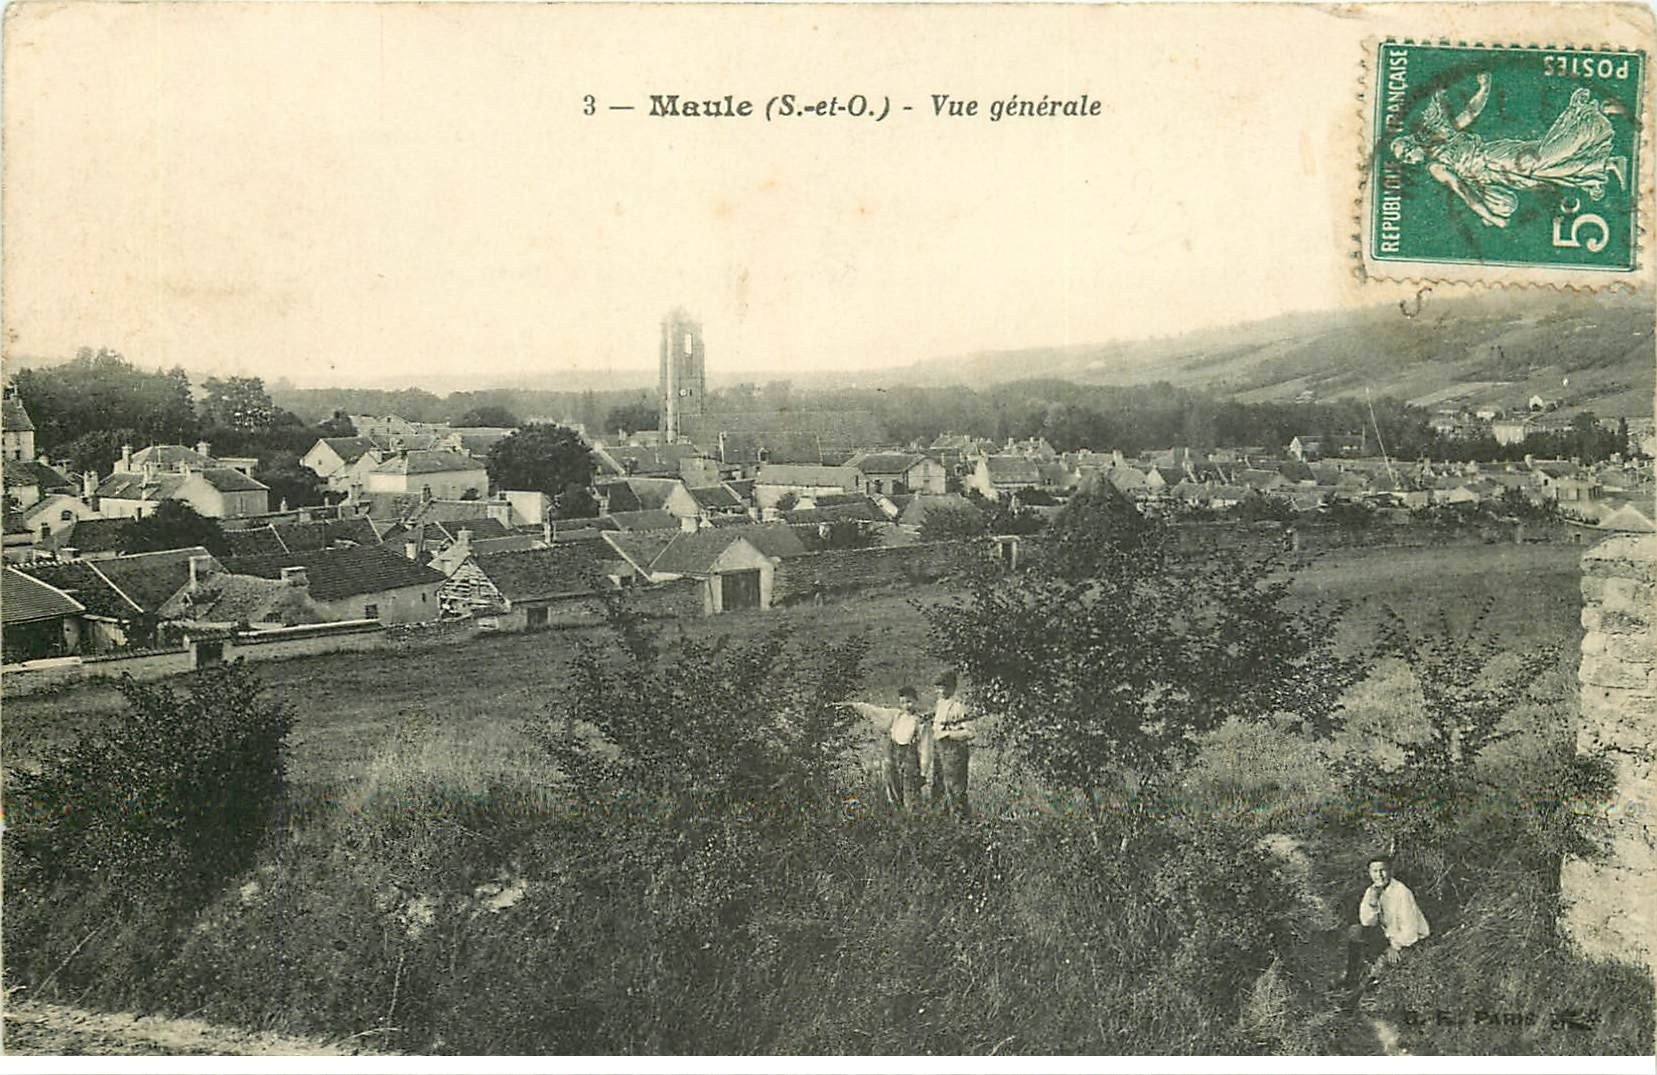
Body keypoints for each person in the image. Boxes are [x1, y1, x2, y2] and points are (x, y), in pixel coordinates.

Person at [1390, 74, 1627, 229]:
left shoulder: (1438, 160)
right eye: (1405, 159)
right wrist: (1491, 214)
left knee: (1544, 160)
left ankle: (1590, 117)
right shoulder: (1436, 160)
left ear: (1414, 143)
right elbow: (1467, 190)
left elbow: (1469, 114)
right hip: (1496, 171)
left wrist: (1485, 88)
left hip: (1493, 157)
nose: (1409, 160)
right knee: (1545, 172)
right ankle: (1606, 164)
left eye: (1406, 152)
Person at [1340, 854, 1431, 997]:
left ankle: (1360, 993)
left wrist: (1395, 946)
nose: (1379, 875)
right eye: (1374, 871)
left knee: (1380, 968)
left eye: (1383, 870)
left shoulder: (1402, 892)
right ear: (1369, 873)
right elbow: (1367, 922)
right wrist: (1373, 902)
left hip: (1410, 939)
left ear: (1390, 871)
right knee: (1355, 931)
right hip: (1387, 934)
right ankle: (1350, 978)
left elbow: (1410, 927)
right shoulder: (1372, 890)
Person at [841, 687, 925, 808]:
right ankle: (898, 813)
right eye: (903, 702)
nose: (906, 706)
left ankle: (914, 816)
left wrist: (924, 771)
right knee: (893, 784)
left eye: (909, 701)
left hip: (910, 758)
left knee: (910, 789)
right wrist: (855, 706)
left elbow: (924, 749)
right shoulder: (896, 715)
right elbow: (876, 711)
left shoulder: (919, 721)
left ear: (916, 701)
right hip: (895, 754)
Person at [931, 669, 976, 817]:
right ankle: (942, 820)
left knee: (955, 787)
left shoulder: (959, 706)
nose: (939, 691)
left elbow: (970, 732)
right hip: (939, 749)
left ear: (952, 687)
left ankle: (961, 820)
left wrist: (949, 734)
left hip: (954, 750)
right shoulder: (940, 703)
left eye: (942, 687)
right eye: (937, 687)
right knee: (939, 784)